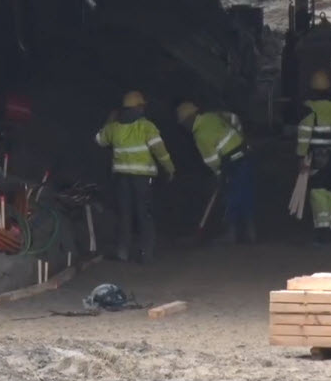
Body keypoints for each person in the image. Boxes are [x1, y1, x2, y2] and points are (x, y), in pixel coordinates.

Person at [94, 90, 174, 263]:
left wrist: (110, 119)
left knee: (125, 215)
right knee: (145, 214)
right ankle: (147, 254)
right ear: (139, 107)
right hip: (143, 179)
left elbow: (99, 140)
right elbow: (160, 151)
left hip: (122, 179)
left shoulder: (113, 128)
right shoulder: (146, 127)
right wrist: (169, 168)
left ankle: (122, 253)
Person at [175, 101, 255, 243]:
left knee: (231, 196)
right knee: (245, 193)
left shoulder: (200, 135)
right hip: (244, 155)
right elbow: (233, 118)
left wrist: (219, 175)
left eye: (184, 123)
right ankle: (250, 232)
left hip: (231, 163)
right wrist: (240, 136)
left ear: (188, 119)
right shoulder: (211, 116)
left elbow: (211, 160)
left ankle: (232, 234)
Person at [297, 71, 331, 245]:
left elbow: (304, 136)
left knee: (317, 194)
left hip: (317, 158)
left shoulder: (310, 108)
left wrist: (302, 157)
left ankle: (322, 232)